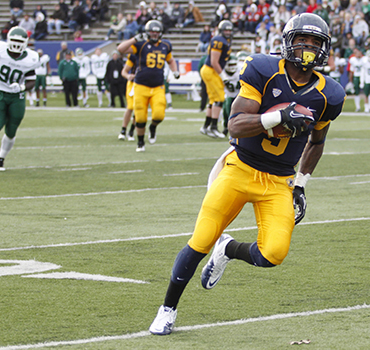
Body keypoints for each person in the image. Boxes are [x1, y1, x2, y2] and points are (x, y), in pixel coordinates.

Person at [148, 13, 345, 336]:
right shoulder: (264, 71)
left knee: (273, 254)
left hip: (279, 180)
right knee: (200, 241)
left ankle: (228, 250)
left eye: (315, 43)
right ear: (288, 42)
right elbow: (236, 124)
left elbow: (317, 142)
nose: (308, 48)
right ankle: (167, 309)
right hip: (240, 168)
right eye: (302, 40)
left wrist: (301, 185)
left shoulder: (329, 95)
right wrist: (278, 115)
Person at [0, 27, 40, 171]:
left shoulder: (31, 58)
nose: (16, 44)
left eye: (20, 41)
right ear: (8, 40)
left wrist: (21, 87)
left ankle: (0, 158)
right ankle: (1, 116)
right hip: (0, 92)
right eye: (14, 40)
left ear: (26, 43)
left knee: (12, 130)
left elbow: (32, 80)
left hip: (17, 96)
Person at [117, 19, 180, 152]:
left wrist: (175, 71)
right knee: (140, 116)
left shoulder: (166, 45)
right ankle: (140, 143)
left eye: (156, 32)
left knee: (159, 115)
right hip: (140, 85)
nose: (154, 35)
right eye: (152, 32)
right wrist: (134, 39)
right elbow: (120, 49)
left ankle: (153, 127)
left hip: (158, 86)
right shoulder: (140, 44)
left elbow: (171, 59)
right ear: (147, 32)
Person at [199, 20, 232, 138]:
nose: (228, 32)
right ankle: (213, 127)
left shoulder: (225, 40)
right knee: (219, 98)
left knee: (213, 99)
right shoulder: (219, 40)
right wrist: (224, 77)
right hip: (211, 70)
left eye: (229, 30)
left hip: (211, 71)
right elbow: (214, 61)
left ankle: (206, 126)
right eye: (225, 30)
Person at [118, 53, 138, 139]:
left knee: (139, 109)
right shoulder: (134, 57)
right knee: (130, 107)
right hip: (133, 84)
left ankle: (131, 130)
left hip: (144, 85)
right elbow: (124, 71)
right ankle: (123, 130)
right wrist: (128, 76)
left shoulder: (152, 56)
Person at [348, 47, 365, 112]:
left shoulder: (364, 59)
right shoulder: (353, 59)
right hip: (356, 76)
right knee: (356, 92)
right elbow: (351, 71)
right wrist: (350, 81)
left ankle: (368, 106)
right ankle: (357, 107)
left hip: (364, 76)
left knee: (367, 92)